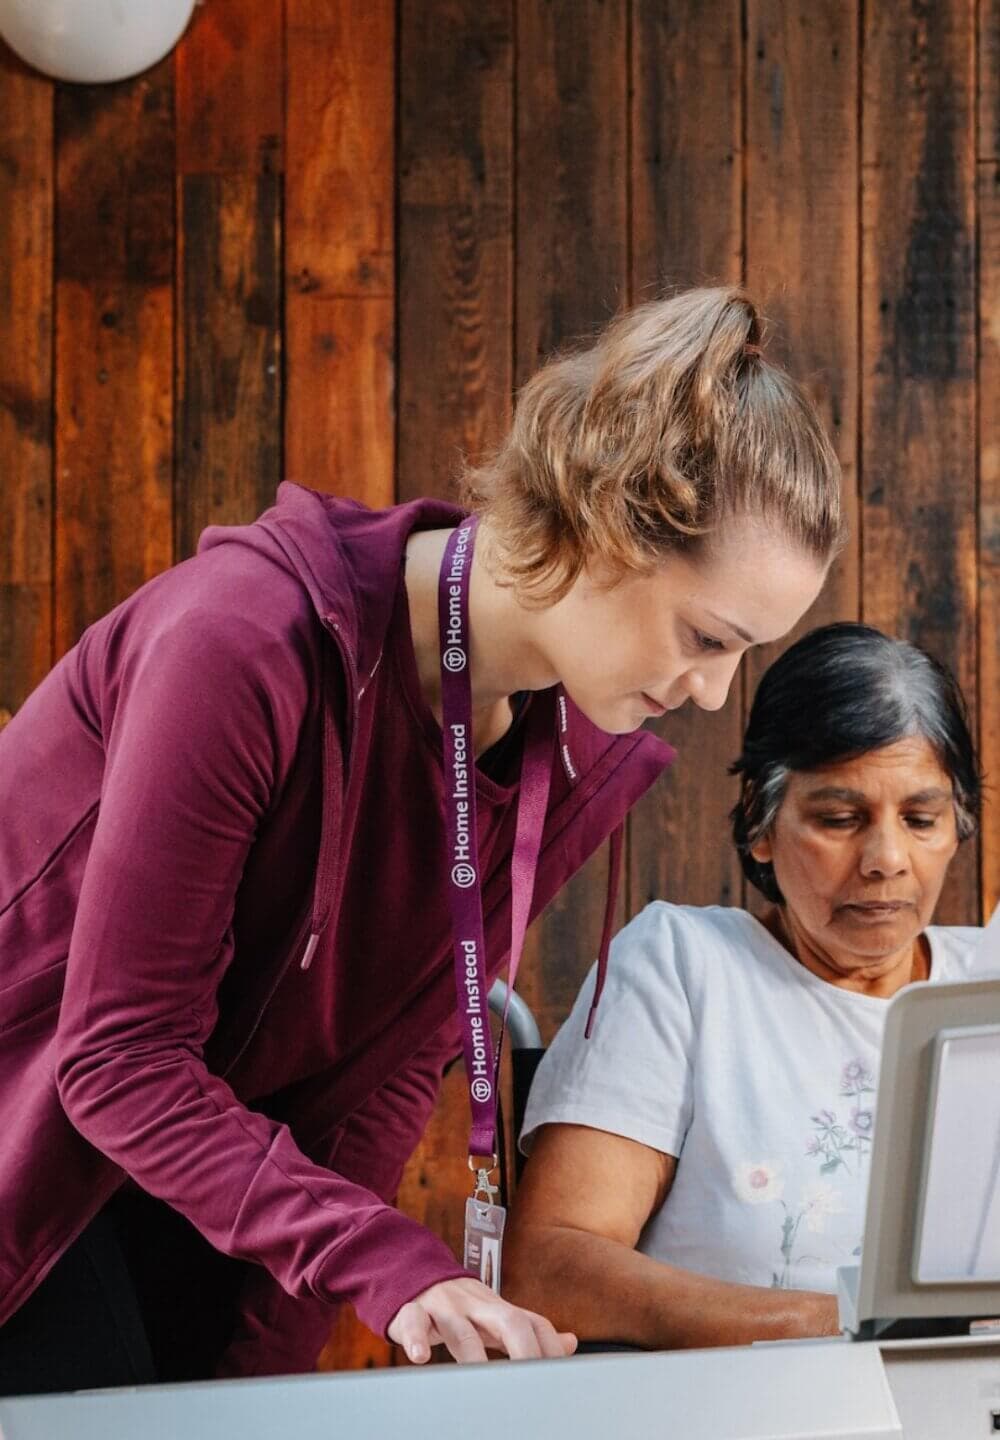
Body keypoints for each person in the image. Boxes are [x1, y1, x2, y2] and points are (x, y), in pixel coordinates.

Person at [0, 287, 839, 1392]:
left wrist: (271, 1371)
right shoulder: (240, 643)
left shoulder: (573, 747)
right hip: (38, 1146)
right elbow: (116, 1060)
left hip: (200, 1179)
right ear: (603, 524)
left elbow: (388, 1070)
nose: (711, 690)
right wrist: (388, 1264)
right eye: (706, 636)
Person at [504, 623, 987, 1351]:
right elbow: (550, 1268)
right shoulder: (686, 969)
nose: (887, 859)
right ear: (762, 825)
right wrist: (851, 1328)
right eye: (839, 818)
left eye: (921, 820)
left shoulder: (987, 987)